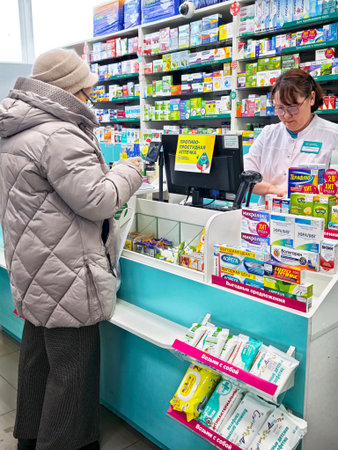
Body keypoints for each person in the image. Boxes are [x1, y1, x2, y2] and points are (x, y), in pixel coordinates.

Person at [0, 48, 143, 450]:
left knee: (36, 361)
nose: (90, 100)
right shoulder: (58, 134)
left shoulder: (15, 130)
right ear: (68, 90)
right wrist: (129, 169)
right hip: (67, 272)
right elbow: (98, 200)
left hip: (33, 267)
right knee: (73, 372)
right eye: (87, 91)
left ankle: (29, 437)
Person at [244, 68, 338, 199]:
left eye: (293, 107)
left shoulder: (334, 136)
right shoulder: (268, 134)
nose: (286, 115)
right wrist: (274, 190)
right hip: (267, 215)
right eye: (280, 108)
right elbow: (245, 177)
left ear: (311, 98)